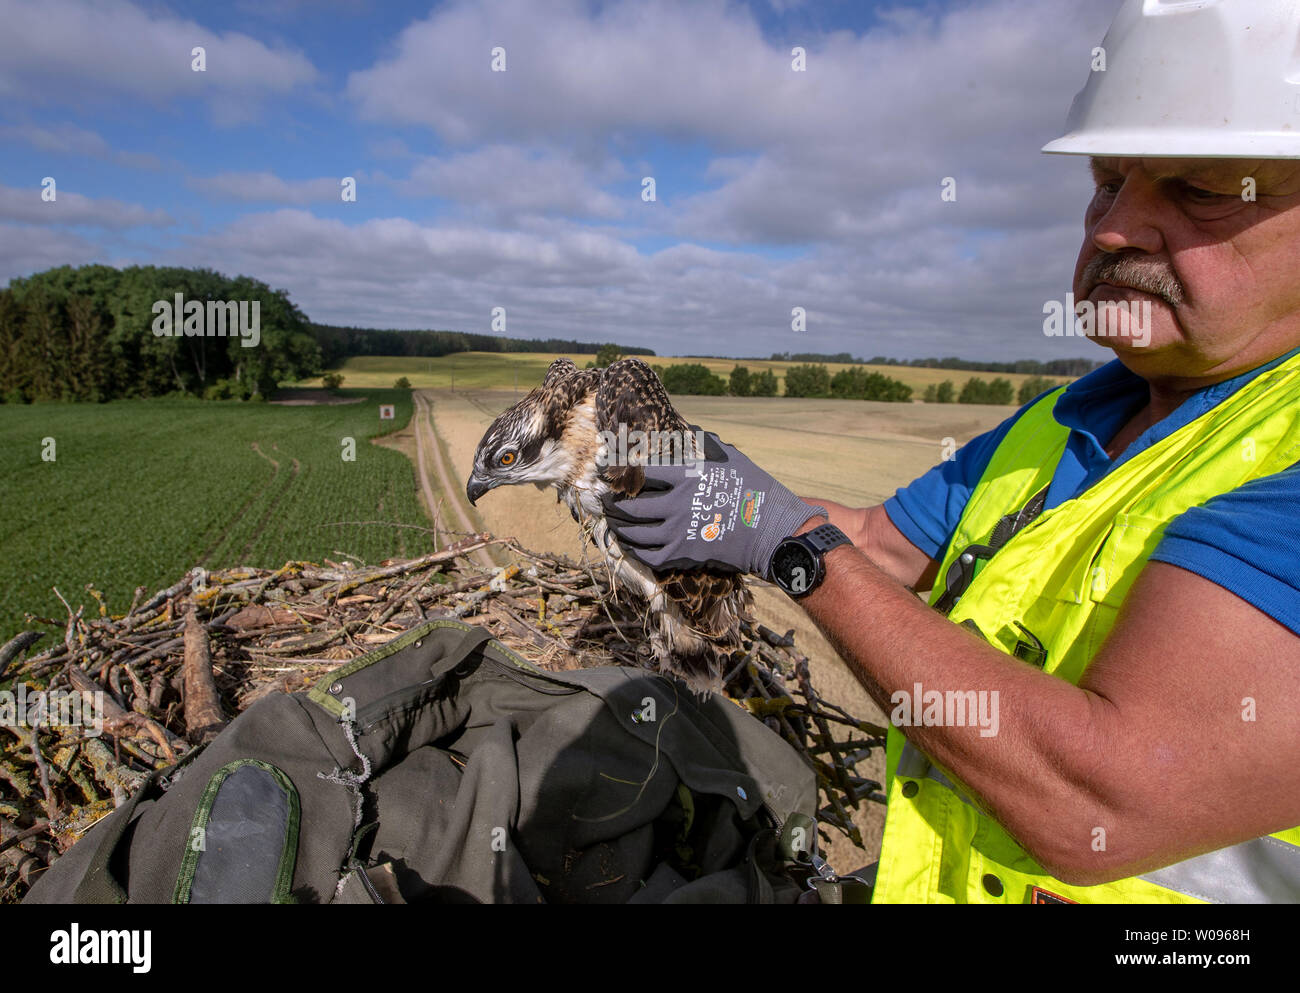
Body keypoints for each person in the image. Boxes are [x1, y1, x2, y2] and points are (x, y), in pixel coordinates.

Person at [602, 0, 1300, 903]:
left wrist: (785, 543)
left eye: (1200, 190)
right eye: (1107, 180)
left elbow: (1100, 802)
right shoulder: (1067, 418)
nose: (1115, 230)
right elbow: (877, 548)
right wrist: (710, 484)